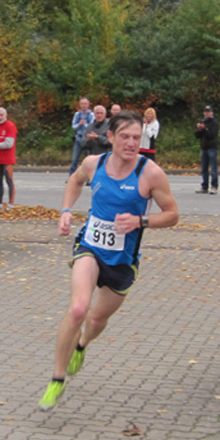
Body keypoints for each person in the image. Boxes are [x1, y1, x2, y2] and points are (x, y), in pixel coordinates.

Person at [38, 111, 180, 411]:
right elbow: (74, 181)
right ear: (111, 137)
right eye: (125, 137)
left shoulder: (150, 173)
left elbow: (172, 215)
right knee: (78, 308)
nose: (131, 144)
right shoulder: (94, 164)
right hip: (90, 246)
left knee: (96, 319)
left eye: (136, 138)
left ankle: (82, 345)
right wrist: (66, 210)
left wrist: (140, 221)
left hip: (122, 261)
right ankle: (57, 379)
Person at [194, 105, 219, 194]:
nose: (207, 113)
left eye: (208, 111)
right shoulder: (203, 121)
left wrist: (204, 129)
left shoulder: (214, 123)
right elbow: (197, 136)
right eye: (206, 111)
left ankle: (214, 186)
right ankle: (204, 186)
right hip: (203, 147)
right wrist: (199, 129)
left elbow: (211, 135)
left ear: (211, 112)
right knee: (204, 168)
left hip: (212, 147)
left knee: (213, 168)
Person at [69, 97, 94, 176]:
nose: (83, 106)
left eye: (85, 104)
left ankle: (89, 178)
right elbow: (74, 126)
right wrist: (79, 124)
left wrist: (84, 124)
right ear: (80, 105)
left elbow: (91, 126)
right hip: (78, 138)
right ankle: (71, 177)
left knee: (88, 159)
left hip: (87, 139)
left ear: (88, 105)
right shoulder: (77, 114)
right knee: (74, 159)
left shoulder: (91, 114)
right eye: (82, 104)